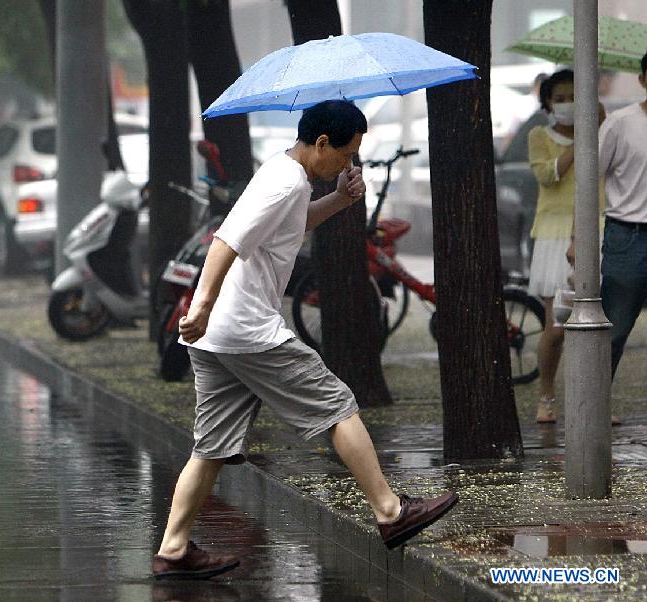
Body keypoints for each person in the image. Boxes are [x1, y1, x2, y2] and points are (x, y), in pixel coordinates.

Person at [151, 100, 458, 581]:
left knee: (209, 447)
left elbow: (291, 226)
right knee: (338, 405)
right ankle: (392, 513)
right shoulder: (284, 181)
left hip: (221, 338)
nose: (350, 163)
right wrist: (203, 305)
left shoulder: (287, 174)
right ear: (320, 144)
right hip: (247, 331)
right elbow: (225, 240)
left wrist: (339, 198)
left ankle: (172, 550)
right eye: (347, 153)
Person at [526, 69, 607, 424]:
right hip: (555, 236)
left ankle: (598, 402)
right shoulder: (538, 136)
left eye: (574, 97)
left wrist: (597, 130)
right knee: (557, 327)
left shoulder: (602, 135)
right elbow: (547, 175)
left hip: (600, 229)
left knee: (603, 325)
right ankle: (547, 395)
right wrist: (580, 142)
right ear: (547, 102)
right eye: (558, 99)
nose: (567, 104)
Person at [588, 50, 647, 381]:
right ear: (642, 79)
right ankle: (594, 405)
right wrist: (576, 238)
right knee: (615, 328)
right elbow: (588, 181)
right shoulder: (620, 124)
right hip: (628, 236)